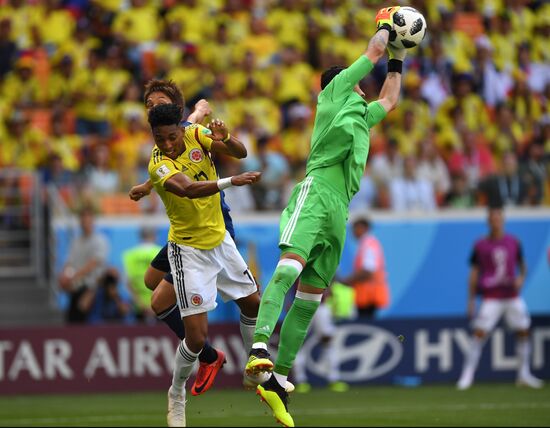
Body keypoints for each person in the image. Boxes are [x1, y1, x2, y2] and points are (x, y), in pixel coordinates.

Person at [244, 7, 406, 427]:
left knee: (310, 300)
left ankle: (277, 380)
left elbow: (390, 97)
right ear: (342, 84)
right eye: (356, 83)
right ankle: (259, 349)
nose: (363, 89)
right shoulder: (333, 96)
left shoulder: (362, 115)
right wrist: (387, 26)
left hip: (340, 211)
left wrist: (400, 58)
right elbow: (371, 53)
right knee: (286, 271)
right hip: (315, 194)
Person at [129, 79, 275, 397]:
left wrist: (223, 136)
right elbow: (171, 168)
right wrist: (149, 184)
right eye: (149, 104)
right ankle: (203, 358)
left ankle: (236, 360)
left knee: (158, 295)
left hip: (217, 224)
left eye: (159, 101)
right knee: (153, 286)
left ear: (176, 110)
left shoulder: (189, 130)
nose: (153, 106)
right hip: (187, 234)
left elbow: (229, 148)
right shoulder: (165, 146)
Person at [146, 103, 263, 427]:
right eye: (159, 139)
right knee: (196, 339)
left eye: (171, 137)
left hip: (220, 241)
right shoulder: (158, 163)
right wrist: (231, 182)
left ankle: (253, 365)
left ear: (180, 129)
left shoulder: (196, 133)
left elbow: (240, 152)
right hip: (189, 251)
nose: (166, 145)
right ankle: (176, 394)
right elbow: (187, 190)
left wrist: (228, 138)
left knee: (253, 303)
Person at [456, 207, 544, 390]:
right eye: (492, 219)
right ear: (488, 222)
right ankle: (467, 375)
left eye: (498, 218)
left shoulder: (514, 241)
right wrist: (471, 300)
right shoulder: (480, 245)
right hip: (491, 296)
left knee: (523, 330)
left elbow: (522, 265)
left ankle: (523, 374)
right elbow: (474, 272)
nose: (495, 222)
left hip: (511, 295)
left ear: (503, 220)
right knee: (480, 332)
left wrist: (521, 278)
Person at [58, 206, 109, 323]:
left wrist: (73, 276)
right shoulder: (76, 241)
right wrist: (64, 277)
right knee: (72, 321)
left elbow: (93, 264)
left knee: (88, 323)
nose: (85, 222)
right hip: (76, 288)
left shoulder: (100, 240)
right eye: (83, 219)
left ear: (92, 221)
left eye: (88, 218)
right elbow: (69, 262)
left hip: (92, 289)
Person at [340, 217, 390, 319]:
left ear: (364, 228)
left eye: (355, 228)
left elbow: (368, 271)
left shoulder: (368, 244)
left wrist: (347, 281)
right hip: (367, 296)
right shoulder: (367, 243)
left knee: (366, 320)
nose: (353, 232)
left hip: (369, 296)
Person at [122, 226, 162, 322]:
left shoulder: (130, 255)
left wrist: (141, 304)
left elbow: (128, 284)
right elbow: (167, 282)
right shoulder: (161, 252)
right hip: (159, 305)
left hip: (138, 308)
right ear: (154, 236)